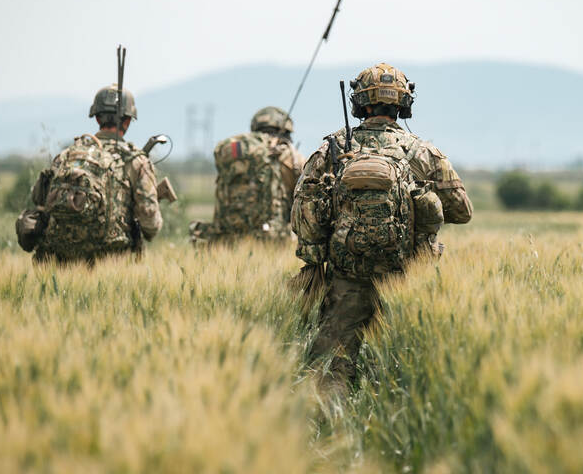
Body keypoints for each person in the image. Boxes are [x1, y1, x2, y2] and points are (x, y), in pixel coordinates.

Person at [291, 62, 473, 392]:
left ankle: (328, 429)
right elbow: (462, 212)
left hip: (346, 277)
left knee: (331, 369)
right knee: (399, 364)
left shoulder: (333, 148)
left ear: (359, 104)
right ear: (404, 104)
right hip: (408, 277)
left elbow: (303, 210)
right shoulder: (424, 152)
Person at [15, 84, 162, 265]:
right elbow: (151, 226)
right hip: (112, 263)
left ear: (98, 118)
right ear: (128, 121)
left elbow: (40, 203)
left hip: (59, 259)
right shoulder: (136, 161)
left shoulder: (66, 156)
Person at [189, 106, 305, 245]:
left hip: (225, 239)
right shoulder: (288, 156)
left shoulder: (233, 152)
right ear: (285, 130)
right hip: (272, 241)